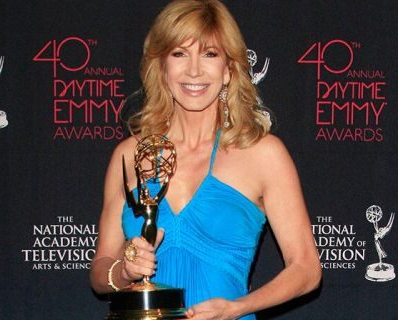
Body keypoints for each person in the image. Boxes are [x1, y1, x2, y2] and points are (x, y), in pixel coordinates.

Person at [90, 1, 321, 319]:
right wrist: (124, 271)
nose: (194, 70)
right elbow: (100, 270)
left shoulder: (263, 154)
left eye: (209, 54)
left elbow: (307, 269)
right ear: (161, 67)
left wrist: (239, 307)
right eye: (179, 54)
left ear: (228, 70)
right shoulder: (131, 155)